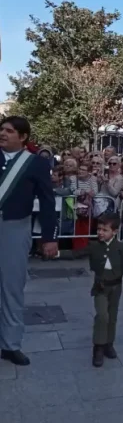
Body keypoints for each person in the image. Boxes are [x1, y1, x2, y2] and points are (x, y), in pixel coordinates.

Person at [0, 116, 57, 366]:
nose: (2, 134)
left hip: (15, 228)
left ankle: (10, 345)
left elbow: (47, 201)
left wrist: (48, 237)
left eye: (9, 131)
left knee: (11, 287)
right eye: (1, 130)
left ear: (23, 137)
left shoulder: (35, 164)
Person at [77, 213, 123, 368]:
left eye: (105, 230)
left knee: (112, 316)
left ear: (114, 231)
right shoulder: (95, 246)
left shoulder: (121, 247)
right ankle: (98, 347)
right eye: (99, 229)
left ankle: (109, 343)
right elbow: (77, 253)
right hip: (100, 287)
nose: (100, 232)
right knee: (102, 316)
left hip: (116, 287)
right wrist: (58, 253)